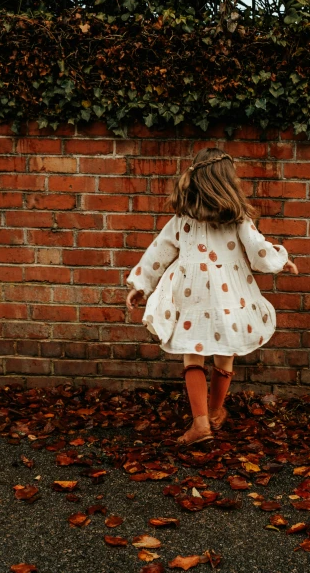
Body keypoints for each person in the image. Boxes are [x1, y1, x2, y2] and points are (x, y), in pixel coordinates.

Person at [125, 147, 298, 446]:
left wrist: (141, 283)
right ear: (227, 181)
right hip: (229, 292)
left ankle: (201, 422)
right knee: (225, 349)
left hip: (191, 294)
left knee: (192, 353)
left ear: (195, 179)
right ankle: (216, 411)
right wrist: (280, 261)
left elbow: (159, 251)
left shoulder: (183, 218)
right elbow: (258, 249)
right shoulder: (237, 217)